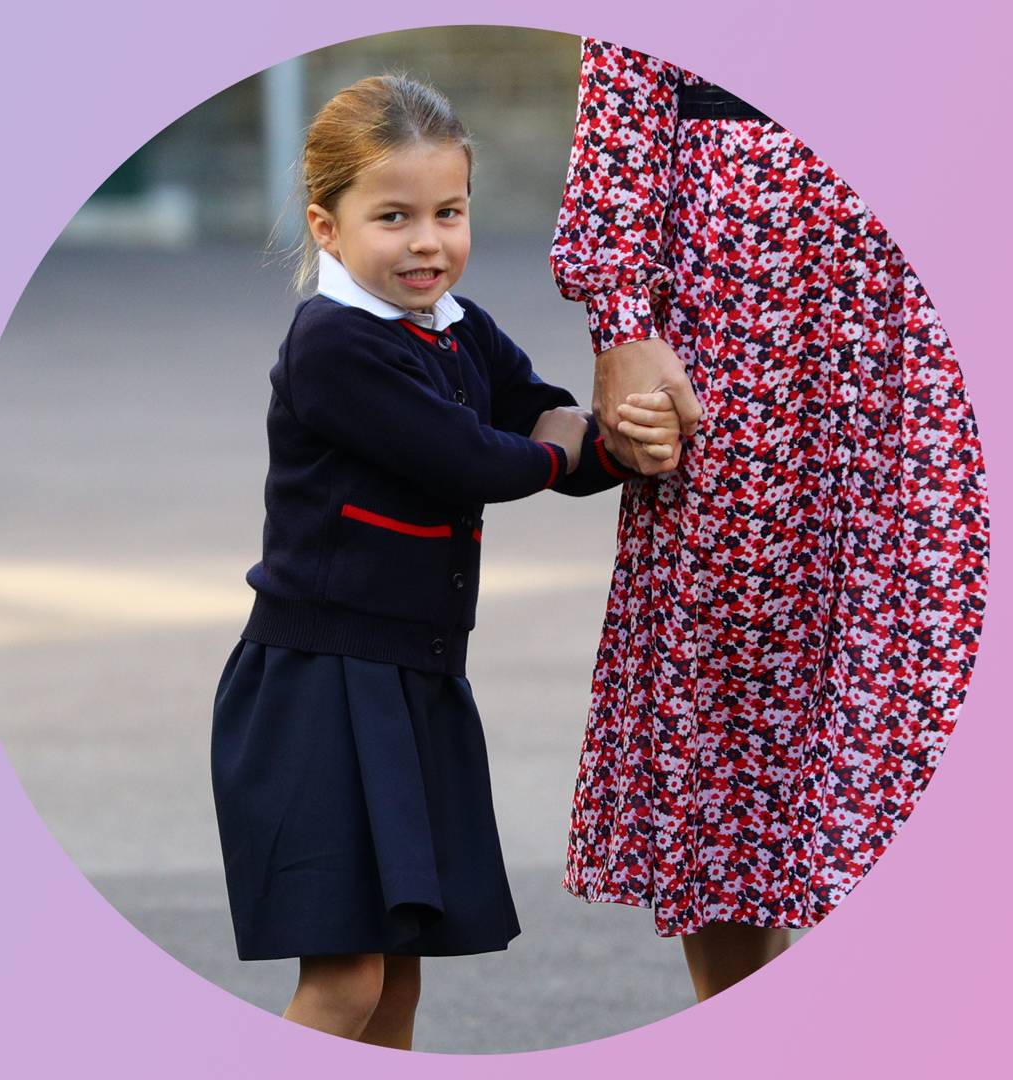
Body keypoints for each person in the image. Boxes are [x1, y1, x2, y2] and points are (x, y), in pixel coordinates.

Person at [211, 74, 677, 1050]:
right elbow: (475, 455)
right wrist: (560, 446)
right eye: (394, 216)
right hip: (320, 687)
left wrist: (620, 439)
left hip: (414, 681)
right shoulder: (333, 345)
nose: (428, 241)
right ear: (327, 228)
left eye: (448, 212)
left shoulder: (456, 328)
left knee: (396, 985)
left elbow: (540, 409)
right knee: (344, 983)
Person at [550, 38, 989, 1001]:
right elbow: (625, 67)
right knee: (735, 674)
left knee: (933, 658)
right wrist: (622, 322)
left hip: (934, 290)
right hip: (735, 296)